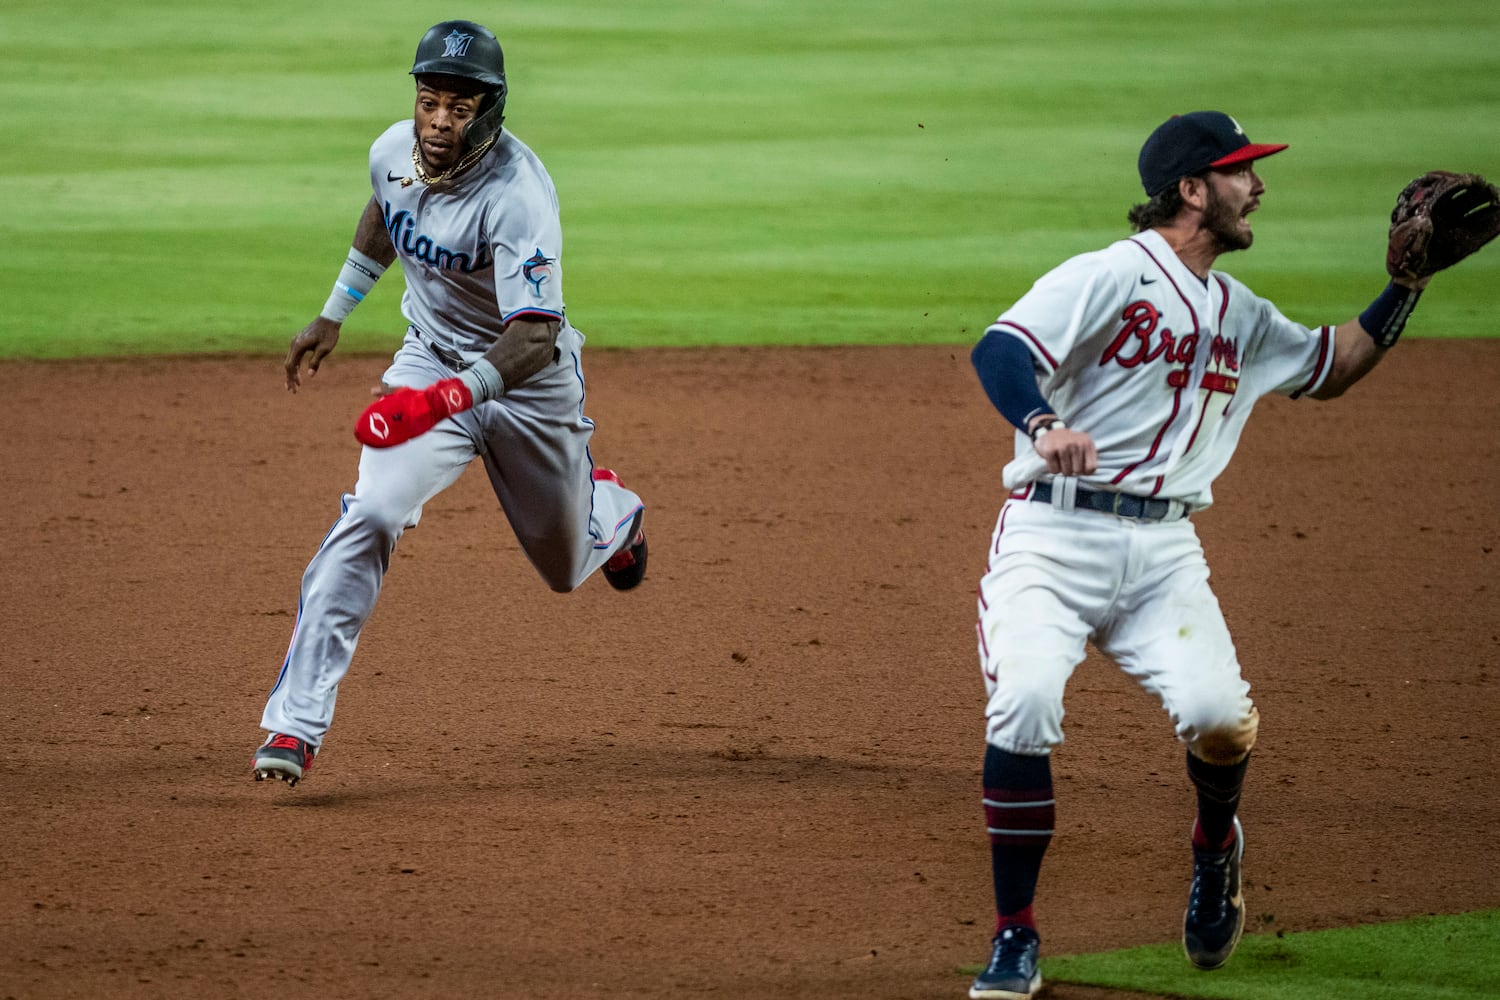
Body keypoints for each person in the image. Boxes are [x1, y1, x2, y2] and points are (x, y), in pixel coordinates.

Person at [964, 111, 1435, 999]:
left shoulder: (1238, 311)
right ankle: (1015, 935)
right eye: (1241, 172)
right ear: (1192, 189)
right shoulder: (1111, 273)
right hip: (1054, 537)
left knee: (1220, 720)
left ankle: (1215, 847)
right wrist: (1042, 421)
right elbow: (1002, 349)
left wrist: (1404, 287)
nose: (1258, 186)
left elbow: (1331, 364)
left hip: (1165, 552)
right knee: (1023, 703)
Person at [252, 20, 648, 788]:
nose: (438, 121)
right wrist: (336, 312)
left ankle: (614, 511)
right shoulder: (392, 153)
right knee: (370, 513)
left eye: (458, 107)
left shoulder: (518, 194)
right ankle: (294, 725)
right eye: (429, 101)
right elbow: (386, 215)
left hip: (528, 391)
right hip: (428, 365)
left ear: (490, 109)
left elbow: (535, 333)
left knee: (566, 567)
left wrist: (452, 397)